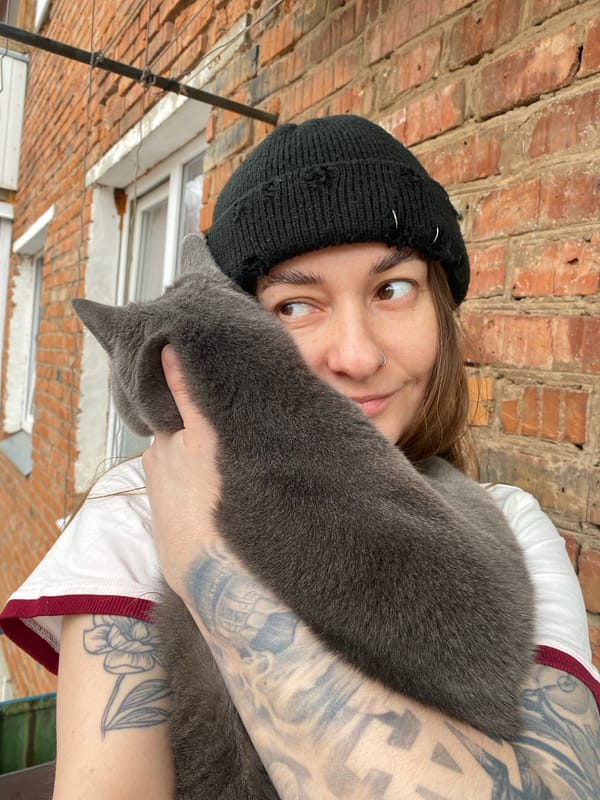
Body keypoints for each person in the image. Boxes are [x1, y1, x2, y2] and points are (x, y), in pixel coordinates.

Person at [1, 115, 599, 799]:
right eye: (294, 305)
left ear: (440, 307)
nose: (356, 355)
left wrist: (204, 557)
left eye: (391, 289)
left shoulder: (511, 524)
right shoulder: (132, 521)